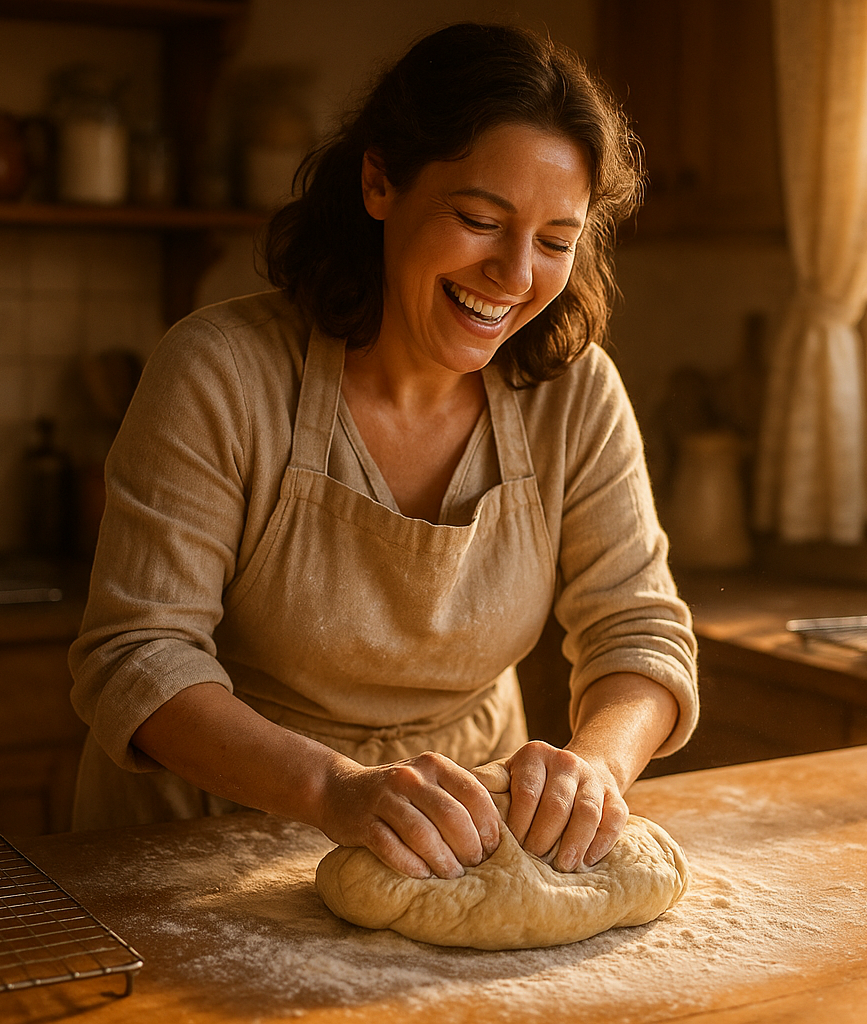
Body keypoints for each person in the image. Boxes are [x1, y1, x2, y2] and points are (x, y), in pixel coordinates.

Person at [68, 22, 699, 882]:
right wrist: (336, 791)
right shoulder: (221, 372)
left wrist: (595, 769)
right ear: (379, 183)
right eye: (480, 219)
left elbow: (640, 631)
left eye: (557, 240)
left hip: (461, 849)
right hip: (203, 847)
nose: (515, 274)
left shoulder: (574, 393)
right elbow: (137, 656)